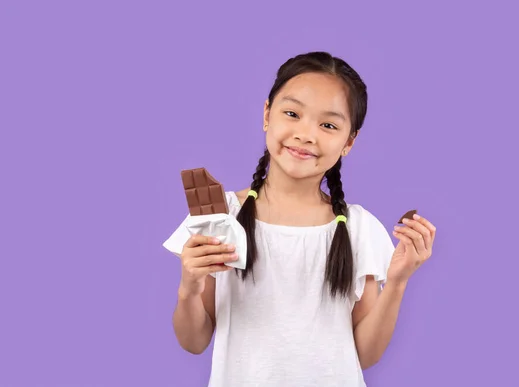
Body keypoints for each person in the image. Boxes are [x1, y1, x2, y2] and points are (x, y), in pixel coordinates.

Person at [170, 51, 437, 386]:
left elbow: (365, 355)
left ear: (348, 142)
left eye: (328, 125)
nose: (306, 134)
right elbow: (193, 341)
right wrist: (189, 288)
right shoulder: (221, 217)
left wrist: (397, 282)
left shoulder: (358, 228)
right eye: (292, 113)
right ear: (267, 114)